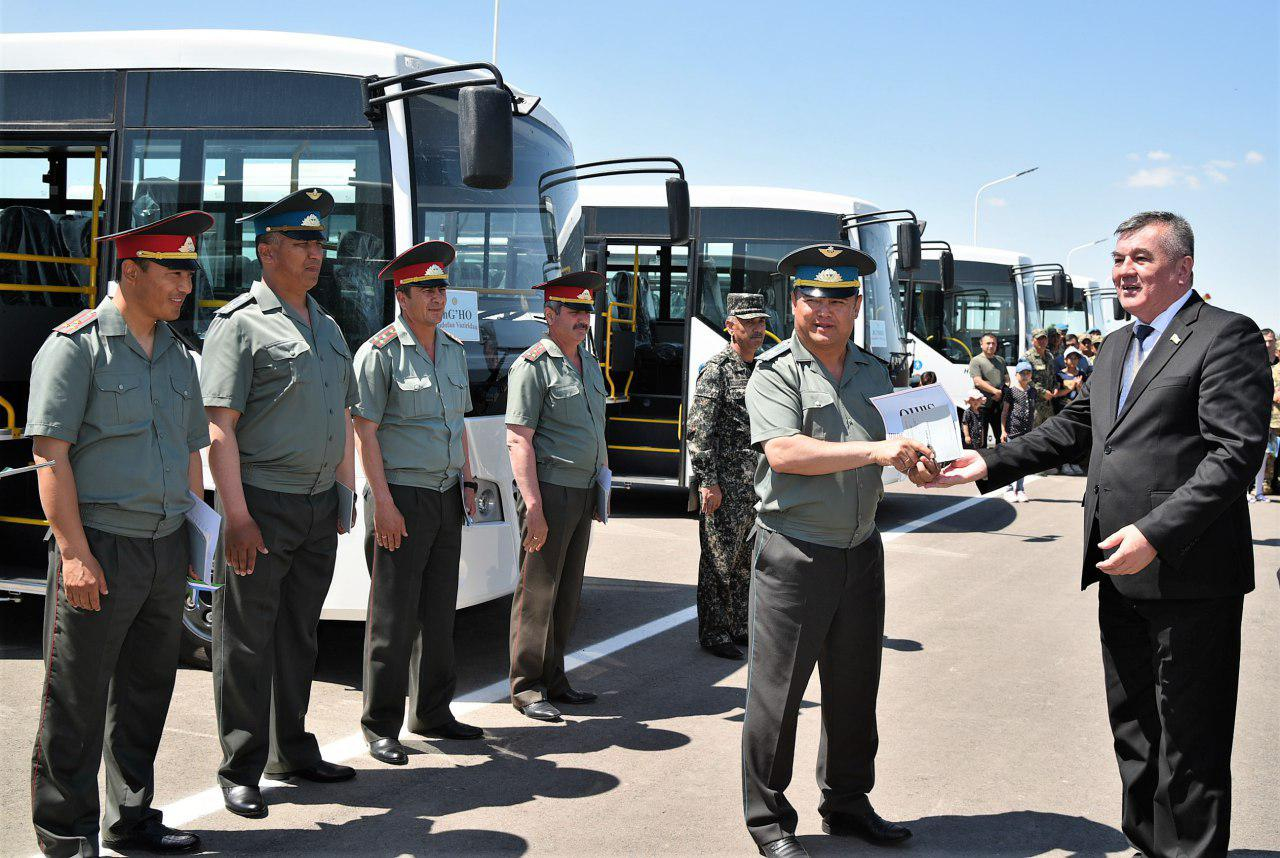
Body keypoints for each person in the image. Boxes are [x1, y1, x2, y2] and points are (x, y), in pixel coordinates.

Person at [928, 212, 1271, 857]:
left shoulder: (1226, 337)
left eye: (1141, 258)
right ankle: (1147, 843)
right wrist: (989, 463)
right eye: (1118, 259)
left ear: (1183, 268)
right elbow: (1074, 429)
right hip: (1119, 566)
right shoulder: (1116, 346)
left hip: (1189, 574)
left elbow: (1234, 455)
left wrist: (1157, 533)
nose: (1123, 271)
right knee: (1135, 727)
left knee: (1190, 737)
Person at [27, 213, 213, 856]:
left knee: (144, 694)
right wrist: (74, 555)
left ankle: (130, 821)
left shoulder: (180, 355)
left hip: (164, 548)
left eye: (189, 272)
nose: (185, 285)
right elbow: (51, 458)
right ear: (130, 271)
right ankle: (63, 829)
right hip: (100, 545)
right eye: (173, 271)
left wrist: (195, 542)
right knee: (77, 697)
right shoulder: (74, 346)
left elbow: (193, 455)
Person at [742, 244, 936, 857]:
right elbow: (786, 453)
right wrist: (878, 452)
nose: (822, 312)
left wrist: (922, 459)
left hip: (860, 549)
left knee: (855, 689)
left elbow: (897, 449)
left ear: (857, 306)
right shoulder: (774, 371)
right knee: (780, 695)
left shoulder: (874, 373)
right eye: (810, 299)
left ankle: (848, 802)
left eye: (837, 300)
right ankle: (770, 821)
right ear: (793, 304)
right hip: (795, 553)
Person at [200, 188, 359, 819]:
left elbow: (343, 416)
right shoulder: (239, 324)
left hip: (317, 504)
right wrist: (234, 515)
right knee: (244, 640)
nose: (317, 252)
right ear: (267, 250)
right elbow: (220, 429)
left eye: (320, 241)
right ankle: (240, 765)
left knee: (300, 637)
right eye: (302, 241)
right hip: (261, 505)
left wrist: (345, 492)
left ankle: (291, 749)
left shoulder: (328, 325)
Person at [351, 240, 484, 767]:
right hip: (400, 496)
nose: (437, 298)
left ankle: (432, 711)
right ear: (401, 297)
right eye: (426, 290)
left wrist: (469, 483)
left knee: (438, 611)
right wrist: (382, 502)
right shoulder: (379, 352)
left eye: (441, 288)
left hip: (446, 495)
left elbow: (460, 425)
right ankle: (380, 725)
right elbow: (365, 433)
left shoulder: (452, 349)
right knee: (393, 618)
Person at [505, 271, 609, 722]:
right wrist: (534, 506)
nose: (584, 319)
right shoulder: (532, 366)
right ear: (550, 315)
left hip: (583, 491)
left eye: (588, 310)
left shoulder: (588, 364)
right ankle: (528, 687)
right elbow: (519, 440)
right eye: (575, 311)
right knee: (538, 592)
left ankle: (555, 677)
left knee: (568, 593)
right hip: (549, 491)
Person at [686, 292, 768, 660]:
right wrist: (707, 481)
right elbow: (699, 431)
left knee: (746, 561)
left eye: (761, 322)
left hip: (757, 484)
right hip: (724, 485)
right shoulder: (716, 370)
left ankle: (739, 624)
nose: (756, 330)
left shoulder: (763, 370)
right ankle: (714, 632)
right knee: (719, 559)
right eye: (748, 323)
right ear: (730, 326)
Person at [999, 361, 1036, 501]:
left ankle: (1020, 489)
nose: (1025, 376)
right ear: (1016, 375)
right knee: (1011, 459)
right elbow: (1005, 412)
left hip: (1027, 431)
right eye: (1022, 373)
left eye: (1028, 373)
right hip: (1012, 431)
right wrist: (1003, 430)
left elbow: (1033, 411)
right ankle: (1008, 488)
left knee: (1023, 460)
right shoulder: (1011, 391)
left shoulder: (1033, 391)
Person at [1250, 327, 1278, 502]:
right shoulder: (1252, 362)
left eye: (1271, 340)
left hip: (1276, 420)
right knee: (1261, 458)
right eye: (1265, 340)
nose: (1268, 344)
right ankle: (1256, 489)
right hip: (1262, 418)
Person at [967, 332, 1007, 445]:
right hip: (982, 406)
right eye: (988, 343)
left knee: (1001, 438)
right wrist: (995, 391)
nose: (991, 346)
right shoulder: (976, 360)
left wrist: (1002, 391)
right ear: (981, 345)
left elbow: (1007, 378)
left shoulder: (1001, 360)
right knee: (981, 440)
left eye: (993, 343)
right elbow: (977, 381)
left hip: (998, 405)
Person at [1023, 328, 1065, 427]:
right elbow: (1025, 379)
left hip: (1048, 404)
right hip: (1034, 404)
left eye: (1044, 339)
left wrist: (1055, 387)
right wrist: (1042, 392)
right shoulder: (1027, 357)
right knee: (1033, 435)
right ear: (1033, 340)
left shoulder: (1049, 356)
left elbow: (1052, 375)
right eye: (1039, 339)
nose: (1042, 341)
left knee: (1047, 434)